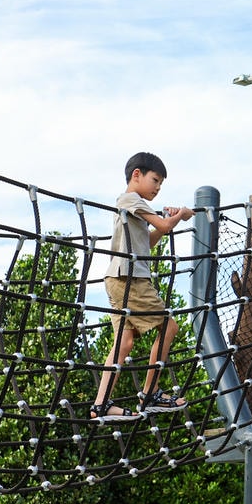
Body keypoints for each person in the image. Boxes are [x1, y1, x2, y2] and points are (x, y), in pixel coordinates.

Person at [91, 151, 194, 422]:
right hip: (130, 280)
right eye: (155, 180)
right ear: (137, 174)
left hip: (117, 279)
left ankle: (100, 404)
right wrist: (180, 215)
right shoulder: (131, 198)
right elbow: (165, 225)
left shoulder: (133, 205)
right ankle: (150, 393)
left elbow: (147, 242)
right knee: (169, 327)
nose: (158, 188)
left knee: (124, 343)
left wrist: (168, 220)